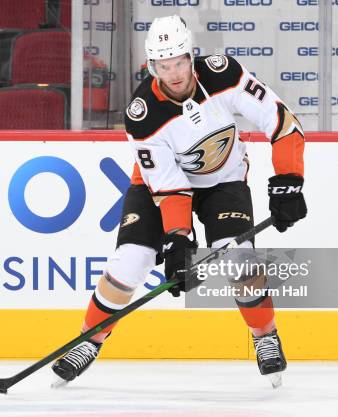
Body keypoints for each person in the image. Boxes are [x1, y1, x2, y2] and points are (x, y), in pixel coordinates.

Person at [51, 15, 306, 388]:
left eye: (179, 63)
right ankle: (89, 340)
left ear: (191, 56)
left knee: (242, 262)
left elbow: (280, 120)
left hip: (224, 182)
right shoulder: (142, 115)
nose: (172, 74)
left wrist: (289, 180)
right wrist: (177, 240)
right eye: (162, 65)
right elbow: (169, 186)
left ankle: (265, 336)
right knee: (131, 262)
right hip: (158, 188)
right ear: (152, 66)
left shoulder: (224, 74)